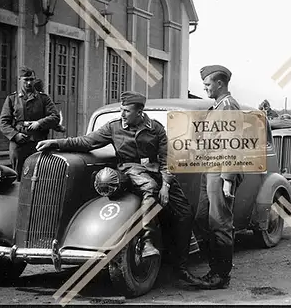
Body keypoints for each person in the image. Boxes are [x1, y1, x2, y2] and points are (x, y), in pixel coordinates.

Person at [35, 91, 205, 287]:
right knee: (149, 187)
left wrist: (166, 185)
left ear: (140, 111)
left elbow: (167, 160)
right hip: (131, 170)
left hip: (157, 173)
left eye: (126, 110)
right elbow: (86, 141)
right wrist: (56, 142)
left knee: (184, 213)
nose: (122, 114)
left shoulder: (156, 129)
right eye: (121, 110)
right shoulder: (113, 127)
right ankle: (148, 242)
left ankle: (180, 267)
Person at [195, 65, 244, 289]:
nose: (205, 88)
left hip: (221, 171)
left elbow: (232, 144)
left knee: (220, 223)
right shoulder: (217, 107)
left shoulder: (227, 106)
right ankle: (214, 268)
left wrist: (228, 178)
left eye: (207, 85)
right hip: (210, 168)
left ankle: (221, 276)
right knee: (202, 218)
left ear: (219, 84)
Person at [0, 66, 60, 181]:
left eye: (31, 79)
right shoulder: (12, 99)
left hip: (39, 143)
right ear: (19, 80)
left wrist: (40, 123)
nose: (28, 83)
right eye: (25, 80)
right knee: (18, 177)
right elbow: (4, 122)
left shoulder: (43, 98)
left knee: (40, 176)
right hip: (19, 145)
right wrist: (15, 135)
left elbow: (55, 116)